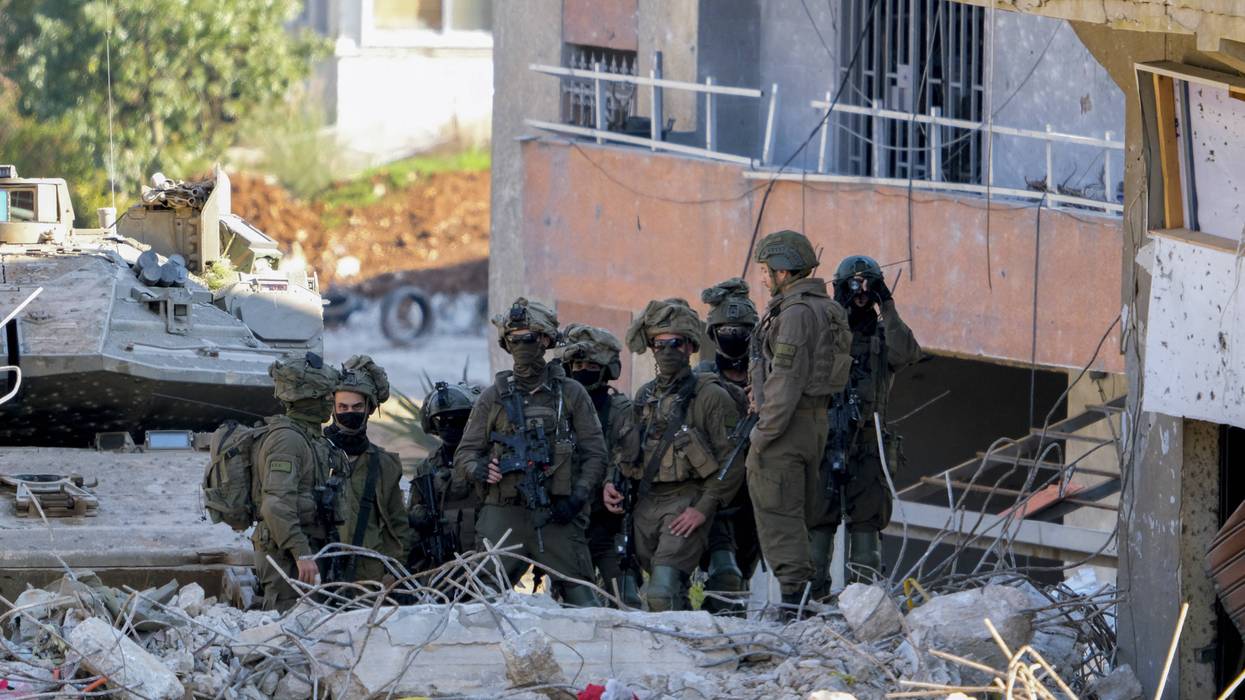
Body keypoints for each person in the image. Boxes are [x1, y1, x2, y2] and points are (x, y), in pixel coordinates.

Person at [455, 297, 608, 606]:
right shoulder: (492, 398)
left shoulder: (571, 393)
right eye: (515, 338)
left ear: (546, 340)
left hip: (558, 515)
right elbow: (465, 455)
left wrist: (578, 497)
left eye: (530, 337)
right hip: (505, 512)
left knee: (585, 604)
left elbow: (596, 454)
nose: (522, 344)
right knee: (480, 605)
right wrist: (481, 469)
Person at [603, 299, 742, 611]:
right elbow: (627, 451)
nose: (666, 351)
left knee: (661, 591)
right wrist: (611, 484)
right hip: (645, 504)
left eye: (675, 343)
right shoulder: (645, 395)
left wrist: (703, 509)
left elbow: (733, 463)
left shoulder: (711, 397)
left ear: (691, 346)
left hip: (687, 502)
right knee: (663, 597)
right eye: (659, 344)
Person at [746, 230, 852, 614]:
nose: (763, 278)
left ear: (784, 271)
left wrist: (762, 435)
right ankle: (802, 599)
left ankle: (794, 604)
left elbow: (786, 381)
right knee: (799, 514)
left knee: (780, 515)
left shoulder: (795, 313)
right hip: (813, 422)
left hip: (785, 426)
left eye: (766, 269)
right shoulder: (826, 308)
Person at [811, 255, 921, 590]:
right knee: (816, 528)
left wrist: (885, 302)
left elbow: (908, 353)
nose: (861, 293)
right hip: (824, 442)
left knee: (866, 539)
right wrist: (837, 312)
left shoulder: (884, 334)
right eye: (853, 286)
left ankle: (863, 610)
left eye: (867, 286)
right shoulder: (824, 331)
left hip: (869, 447)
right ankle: (807, 607)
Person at [252, 353, 348, 611]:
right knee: (291, 625)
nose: (330, 401)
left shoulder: (311, 436)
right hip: (287, 556)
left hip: (305, 548)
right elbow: (275, 504)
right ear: (307, 398)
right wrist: (301, 552)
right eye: (324, 396)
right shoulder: (287, 440)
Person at [560, 322, 642, 607]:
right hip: (570, 522)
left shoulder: (621, 410)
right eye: (577, 363)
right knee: (568, 604)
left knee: (627, 599)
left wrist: (610, 480)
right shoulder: (559, 409)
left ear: (608, 369)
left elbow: (626, 456)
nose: (582, 370)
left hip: (609, 526)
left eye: (590, 365)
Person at [697, 278, 761, 613]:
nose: (733, 336)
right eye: (725, 329)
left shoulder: (767, 383)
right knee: (725, 574)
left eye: (742, 330)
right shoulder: (700, 383)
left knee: (743, 576)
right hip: (715, 496)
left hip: (755, 495)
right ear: (713, 334)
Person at [327, 355, 411, 584]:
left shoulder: (384, 464)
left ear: (368, 410)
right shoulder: (316, 455)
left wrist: (396, 571)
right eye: (342, 407)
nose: (349, 412)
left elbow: (398, 523)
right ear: (332, 408)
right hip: (321, 568)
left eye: (357, 407)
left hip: (370, 577)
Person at [408, 380, 481, 571]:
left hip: (481, 561)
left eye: (457, 420)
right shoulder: (426, 469)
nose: (449, 427)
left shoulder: (485, 462)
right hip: (438, 566)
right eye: (441, 421)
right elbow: (410, 519)